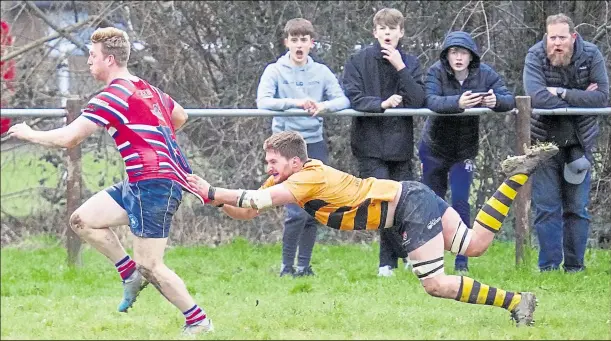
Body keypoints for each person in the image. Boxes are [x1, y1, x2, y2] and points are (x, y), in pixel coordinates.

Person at [187, 130, 560, 326]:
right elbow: (247, 211)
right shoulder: (287, 179)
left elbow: (255, 202)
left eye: (273, 162)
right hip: (409, 197)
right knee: (475, 244)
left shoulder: (306, 177)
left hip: (407, 206)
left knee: (435, 283)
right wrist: (213, 198)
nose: (268, 168)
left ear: (295, 161)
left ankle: (515, 303)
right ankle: (516, 179)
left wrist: (213, 189)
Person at [7, 27, 213, 335]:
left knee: (152, 265)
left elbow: (70, 137)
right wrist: (152, 140)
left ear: (110, 59)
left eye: (92, 55)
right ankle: (128, 273)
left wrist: (28, 133)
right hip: (140, 181)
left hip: (154, 184)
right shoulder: (147, 89)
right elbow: (179, 115)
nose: (88, 61)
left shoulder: (112, 95)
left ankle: (199, 321)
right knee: (82, 220)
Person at [257, 18, 350, 277]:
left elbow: (342, 99)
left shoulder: (321, 72)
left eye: (304, 40)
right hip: (285, 147)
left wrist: (324, 107)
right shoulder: (274, 70)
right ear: (287, 42)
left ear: (312, 43)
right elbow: (263, 101)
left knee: (312, 211)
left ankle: (304, 267)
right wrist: (295, 104)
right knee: (295, 212)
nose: (299, 45)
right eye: (294, 40)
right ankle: (286, 267)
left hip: (314, 145)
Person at [422, 31, 516, 272]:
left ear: (471, 56)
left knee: (462, 201)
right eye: (454, 52)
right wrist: (458, 103)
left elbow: (510, 99)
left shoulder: (484, 73)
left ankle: (462, 260)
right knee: (433, 203)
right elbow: (430, 100)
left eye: (463, 52)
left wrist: (496, 103)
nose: (459, 57)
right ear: (447, 55)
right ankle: (432, 258)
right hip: (434, 148)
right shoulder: (436, 71)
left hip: (464, 150)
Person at [341, 8, 425, 277]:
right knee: (382, 203)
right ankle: (401, 256)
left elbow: (418, 99)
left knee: (402, 203)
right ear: (374, 32)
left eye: (393, 28)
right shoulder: (358, 60)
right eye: (383, 28)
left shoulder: (410, 62)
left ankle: (388, 263)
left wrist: (400, 67)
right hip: (369, 145)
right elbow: (354, 97)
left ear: (401, 32)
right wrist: (381, 104)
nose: (388, 33)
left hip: (400, 147)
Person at [523, 13, 609, 272]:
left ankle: (575, 268)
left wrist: (561, 93)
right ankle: (548, 268)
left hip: (579, 144)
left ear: (573, 37)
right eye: (552, 38)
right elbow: (536, 98)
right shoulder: (535, 55)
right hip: (544, 143)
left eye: (562, 37)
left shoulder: (591, 55)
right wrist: (581, 98)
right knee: (546, 207)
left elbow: (603, 97)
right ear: (546, 37)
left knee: (576, 208)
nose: (556, 43)